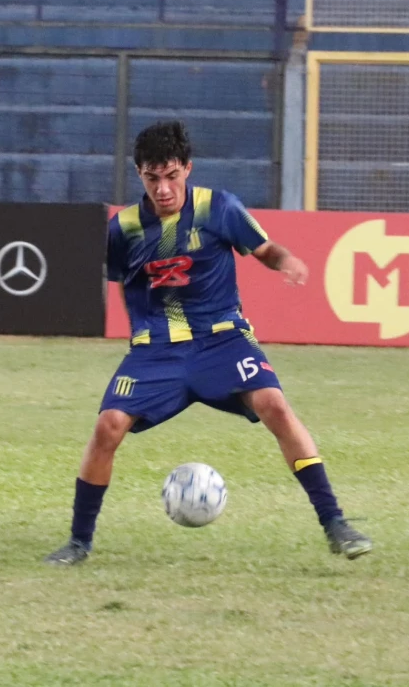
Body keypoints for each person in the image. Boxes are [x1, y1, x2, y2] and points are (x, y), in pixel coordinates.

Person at [46, 121, 372, 565]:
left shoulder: (220, 208)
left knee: (275, 405)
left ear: (187, 169)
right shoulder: (122, 228)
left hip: (222, 341)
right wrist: (142, 332)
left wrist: (287, 261)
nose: (163, 189)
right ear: (139, 174)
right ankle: (78, 542)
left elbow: (266, 250)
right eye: (152, 178)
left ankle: (335, 523)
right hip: (157, 352)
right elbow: (122, 281)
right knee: (108, 427)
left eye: (171, 176)